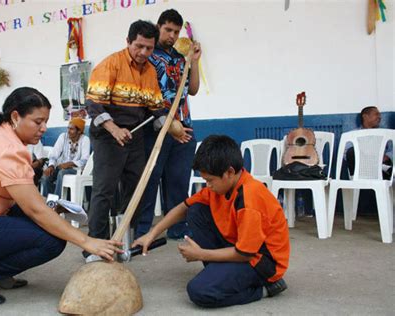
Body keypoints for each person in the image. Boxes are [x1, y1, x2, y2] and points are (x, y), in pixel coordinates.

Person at [0, 87, 122, 307]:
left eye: (46, 122)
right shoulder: (5, 147)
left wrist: (52, 208)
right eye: (37, 122)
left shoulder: (4, 138)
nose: (43, 128)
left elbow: (29, 202)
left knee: (44, 219)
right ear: (15, 116)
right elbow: (34, 210)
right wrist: (88, 242)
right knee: (52, 240)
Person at [133, 135, 290, 308]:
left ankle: (265, 289)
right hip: (240, 248)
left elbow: (244, 253)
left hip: (261, 263)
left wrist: (200, 254)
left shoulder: (250, 197)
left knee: (199, 291)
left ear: (229, 172)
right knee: (195, 211)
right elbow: (182, 208)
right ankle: (219, 272)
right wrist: (151, 235)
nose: (207, 185)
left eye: (210, 180)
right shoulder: (220, 187)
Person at [84, 20, 188, 261]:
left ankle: (122, 242)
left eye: (149, 48)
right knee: (104, 190)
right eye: (138, 46)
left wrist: (169, 127)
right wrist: (113, 128)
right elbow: (93, 103)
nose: (143, 53)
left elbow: (156, 108)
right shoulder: (110, 64)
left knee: (136, 189)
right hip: (108, 136)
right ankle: (95, 247)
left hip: (136, 136)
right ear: (128, 42)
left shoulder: (150, 71)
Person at [136, 9, 201, 239]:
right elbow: (149, 95)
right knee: (151, 179)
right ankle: (142, 230)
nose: (172, 36)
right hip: (158, 126)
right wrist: (170, 125)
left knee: (178, 179)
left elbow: (192, 89)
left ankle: (176, 228)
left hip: (185, 126)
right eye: (168, 30)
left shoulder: (179, 58)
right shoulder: (148, 57)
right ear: (159, 26)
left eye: (176, 31)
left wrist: (194, 62)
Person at [40, 117, 90, 197]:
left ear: (79, 131)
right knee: (46, 175)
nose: (68, 131)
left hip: (76, 170)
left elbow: (84, 160)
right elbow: (54, 154)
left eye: (72, 129)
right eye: (68, 128)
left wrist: (70, 164)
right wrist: (51, 165)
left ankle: (57, 202)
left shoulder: (85, 140)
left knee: (62, 173)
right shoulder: (63, 136)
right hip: (60, 167)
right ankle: (48, 202)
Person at [345, 106, 393, 180]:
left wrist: (388, 156)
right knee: (351, 152)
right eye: (376, 114)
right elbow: (346, 153)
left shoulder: (384, 134)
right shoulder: (354, 135)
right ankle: (381, 167)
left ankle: (382, 167)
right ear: (365, 117)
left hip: (381, 172)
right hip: (361, 171)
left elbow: (392, 149)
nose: (379, 117)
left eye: (380, 115)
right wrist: (366, 158)